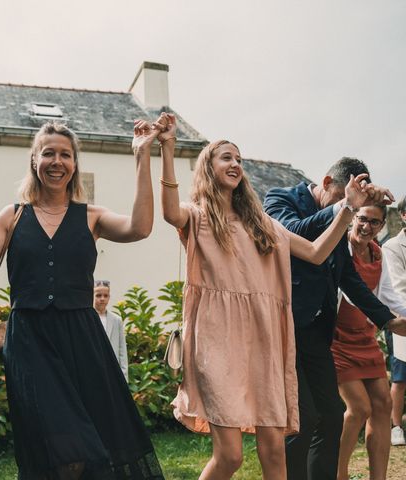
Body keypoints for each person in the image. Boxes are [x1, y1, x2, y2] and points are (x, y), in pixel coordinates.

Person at [159, 113, 372, 479]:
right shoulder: (197, 217)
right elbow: (167, 211)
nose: (236, 164)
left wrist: (348, 208)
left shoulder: (262, 223)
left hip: (263, 339)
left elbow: (318, 253)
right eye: (226, 157)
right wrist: (166, 149)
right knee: (230, 458)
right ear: (208, 167)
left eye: (239, 159)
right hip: (217, 339)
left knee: (275, 450)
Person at [0, 120, 164, 478]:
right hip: (30, 344)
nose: (57, 161)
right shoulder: (13, 216)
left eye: (65, 155)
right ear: (34, 160)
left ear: (75, 164)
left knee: (96, 451)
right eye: (48, 153)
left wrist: (142, 157)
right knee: (64, 448)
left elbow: (140, 228)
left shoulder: (92, 217)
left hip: (83, 343)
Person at [264, 157, 406, 480]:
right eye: (344, 197)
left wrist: (387, 320)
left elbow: (348, 278)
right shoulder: (281, 198)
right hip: (282, 327)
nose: (353, 210)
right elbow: (292, 235)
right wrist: (344, 208)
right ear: (327, 183)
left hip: (316, 330)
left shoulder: (342, 216)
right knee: (302, 418)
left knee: (331, 414)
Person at [330, 205, 406, 480]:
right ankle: (338, 474)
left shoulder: (378, 252)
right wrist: (389, 320)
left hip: (365, 338)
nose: (367, 226)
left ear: (383, 224)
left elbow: (388, 294)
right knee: (360, 407)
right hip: (337, 339)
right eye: (362, 219)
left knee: (383, 405)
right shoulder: (341, 248)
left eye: (375, 222)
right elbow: (352, 296)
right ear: (352, 218)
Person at [383, 196, 406, 446]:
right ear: (403, 215)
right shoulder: (392, 247)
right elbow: (399, 287)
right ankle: (396, 426)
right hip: (401, 318)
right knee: (401, 375)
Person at [93, 280, 129, 381]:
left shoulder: (116, 320)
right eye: (98, 295)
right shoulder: (87, 319)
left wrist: (124, 377)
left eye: (105, 295)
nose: (102, 299)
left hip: (112, 371)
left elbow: (122, 350)